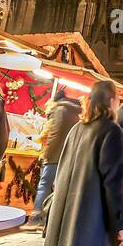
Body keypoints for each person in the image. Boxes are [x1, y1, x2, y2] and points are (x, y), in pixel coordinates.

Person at [28, 80, 123, 246]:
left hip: (67, 218)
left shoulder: (76, 130)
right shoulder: (111, 132)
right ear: (111, 101)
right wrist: (121, 223)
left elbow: (61, 173)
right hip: (91, 221)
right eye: (117, 97)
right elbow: (114, 183)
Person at [32, 86, 80, 223]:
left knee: (44, 184)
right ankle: (53, 219)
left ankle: (36, 219)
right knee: (60, 187)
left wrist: (47, 154)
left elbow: (55, 134)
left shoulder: (59, 110)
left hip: (55, 155)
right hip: (69, 156)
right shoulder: (75, 111)